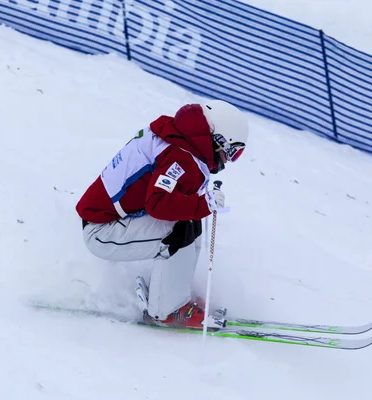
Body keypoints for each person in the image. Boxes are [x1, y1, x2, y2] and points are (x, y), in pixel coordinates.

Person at [75, 99, 249, 329]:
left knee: (188, 221)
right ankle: (167, 310)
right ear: (218, 140)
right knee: (178, 230)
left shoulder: (179, 136)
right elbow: (158, 204)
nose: (229, 160)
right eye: (232, 152)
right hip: (102, 231)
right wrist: (204, 204)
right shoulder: (181, 156)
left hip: (111, 220)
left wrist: (198, 205)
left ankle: (175, 295)